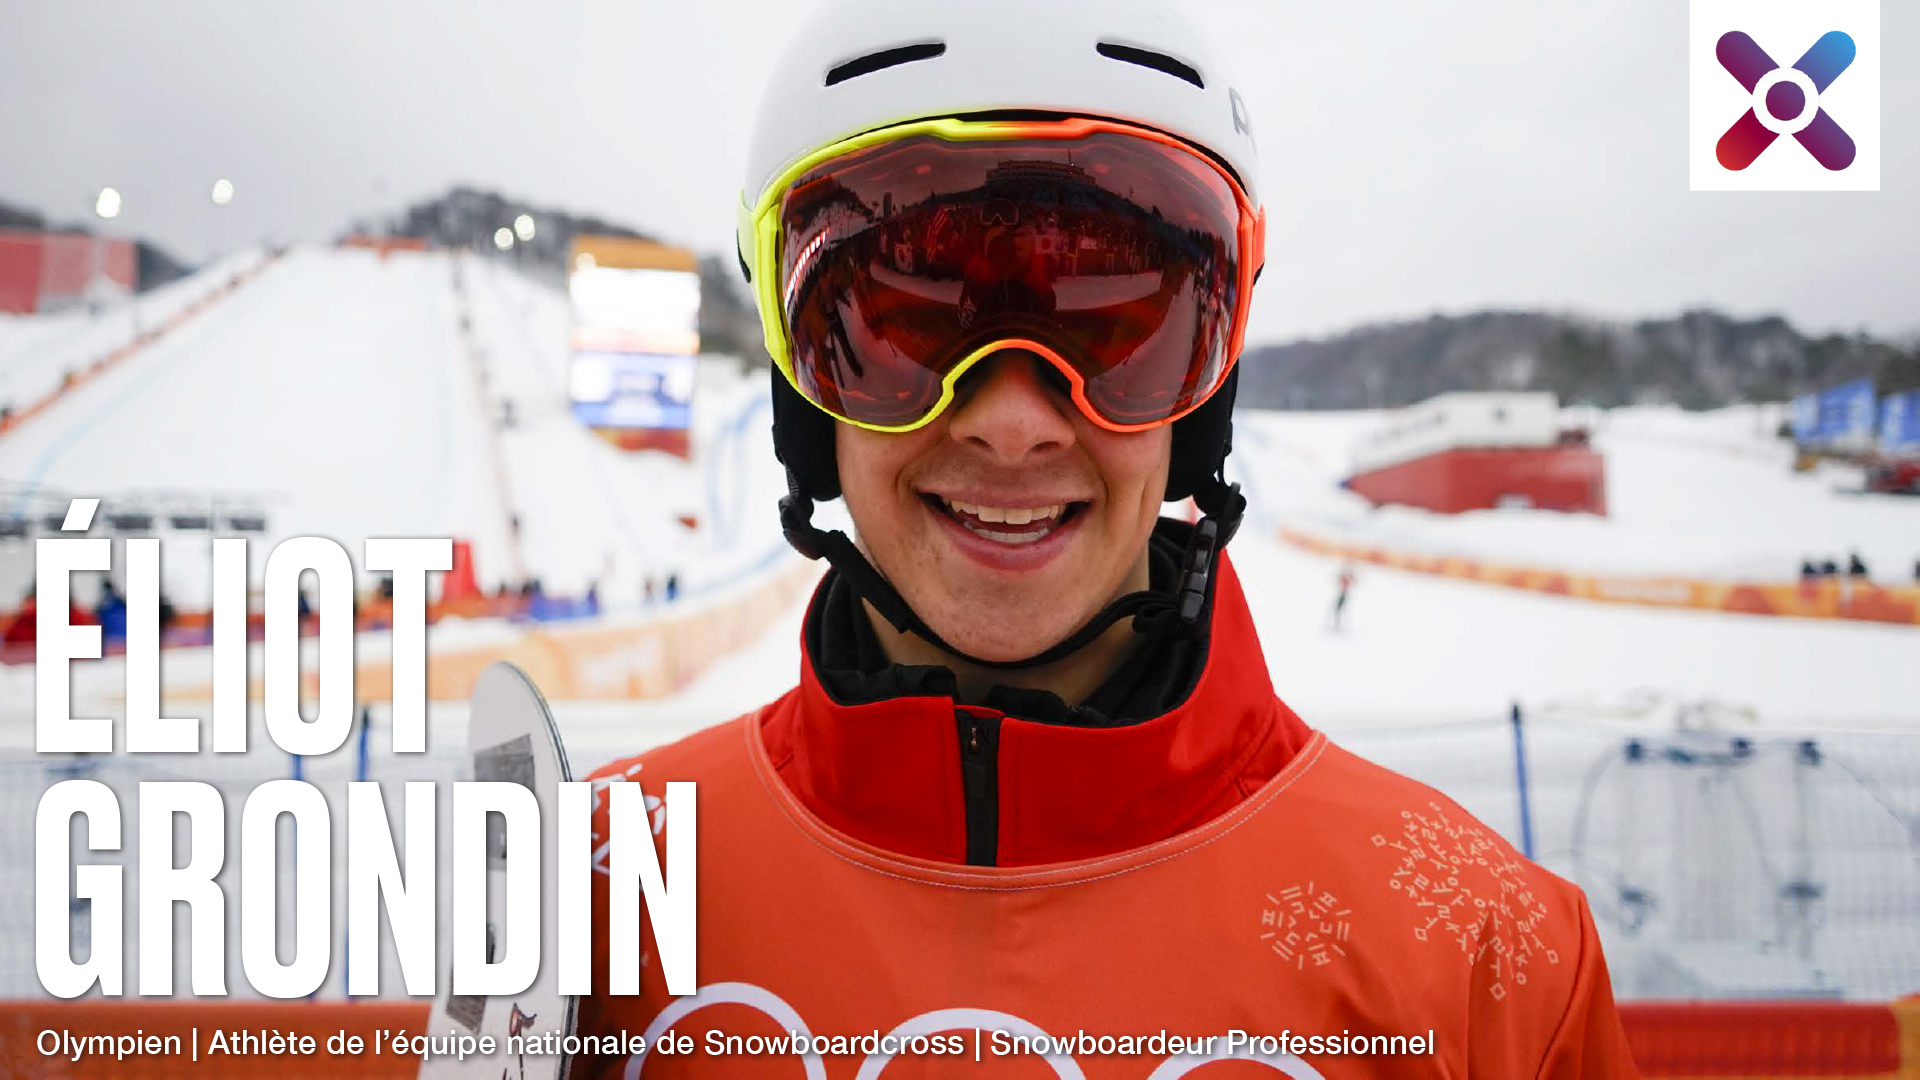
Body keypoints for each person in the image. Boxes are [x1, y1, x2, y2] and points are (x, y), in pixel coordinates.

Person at [576, 2, 1636, 1076]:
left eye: (1115, 331)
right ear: (805, 399)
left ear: (1201, 409)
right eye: (908, 324)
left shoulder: (1483, 955)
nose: (1012, 424)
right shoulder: (592, 896)